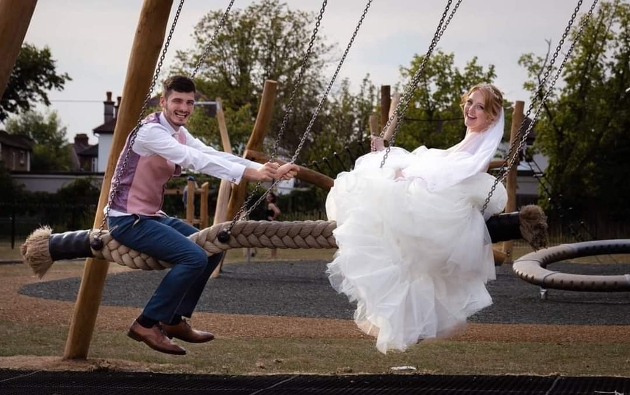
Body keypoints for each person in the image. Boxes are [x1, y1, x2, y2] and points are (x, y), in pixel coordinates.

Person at [106, 75, 299, 355]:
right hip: (127, 220)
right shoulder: (149, 133)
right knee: (194, 256)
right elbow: (194, 160)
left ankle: (173, 320)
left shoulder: (178, 132)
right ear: (163, 102)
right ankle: (146, 323)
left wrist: (266, 169)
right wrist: (252, 173)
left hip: (150, 216)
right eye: (177, 101)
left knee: (214, 245)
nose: (184, 107)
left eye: (189, 102)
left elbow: (213, 153)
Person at [325, 83, 507, 354]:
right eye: (470, 102)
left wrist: (404, 176)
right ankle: (408, 321)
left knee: (378, 210)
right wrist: (392, 162)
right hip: (435, 197)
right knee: (391, 240)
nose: (471, 109)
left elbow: (457, 174)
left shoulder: (480, 148)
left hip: (442, 207)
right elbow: (438, 166)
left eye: (479, 106)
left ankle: (407, 321)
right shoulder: (468, 141)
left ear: (491, 116)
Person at [265, 191, 281, 259]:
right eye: (267, 197)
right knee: (273, 239)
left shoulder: (270, 205)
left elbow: (277, 212)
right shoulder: (274, 204)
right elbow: (279, 211)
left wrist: (272, 218)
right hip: (274, 223)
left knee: (271, 239)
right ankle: (273, 255)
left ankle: (272, 255)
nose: (267, 198)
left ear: (272, 198)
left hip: (271, 223)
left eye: (269, 197)